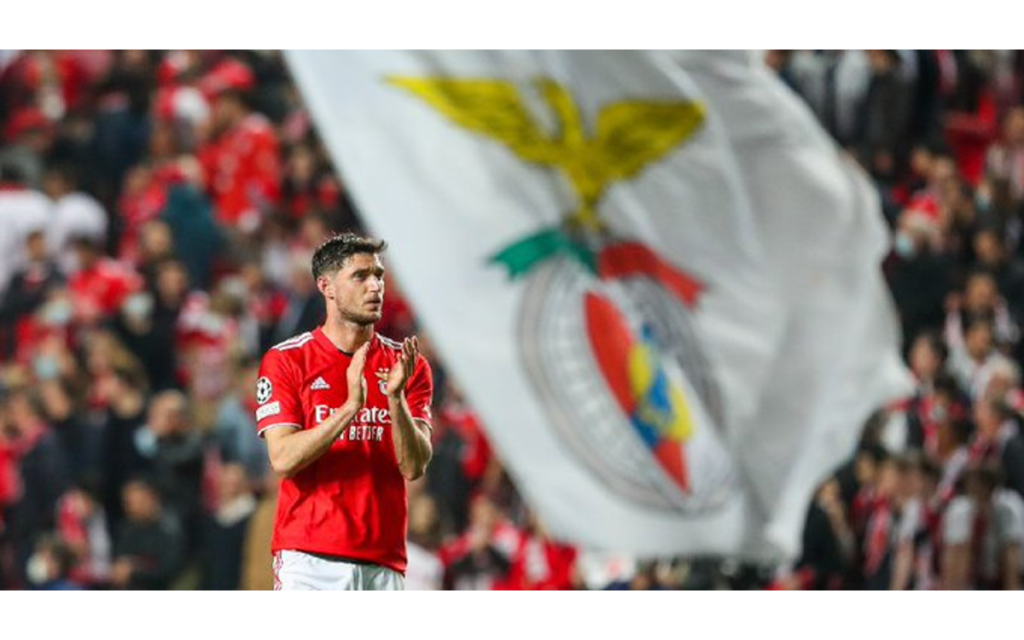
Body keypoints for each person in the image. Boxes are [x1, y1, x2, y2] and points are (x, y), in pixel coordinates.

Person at [256, 233, 433, 591]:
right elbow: (283, 458)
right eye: (360, 276)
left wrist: (394, 400)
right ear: (327, 286)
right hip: (309, 559)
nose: (375, 287)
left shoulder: (407, 365)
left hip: (384, 562)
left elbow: (414, 466)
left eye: (379, 276)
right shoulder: (288, 360)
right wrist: (350, 408)